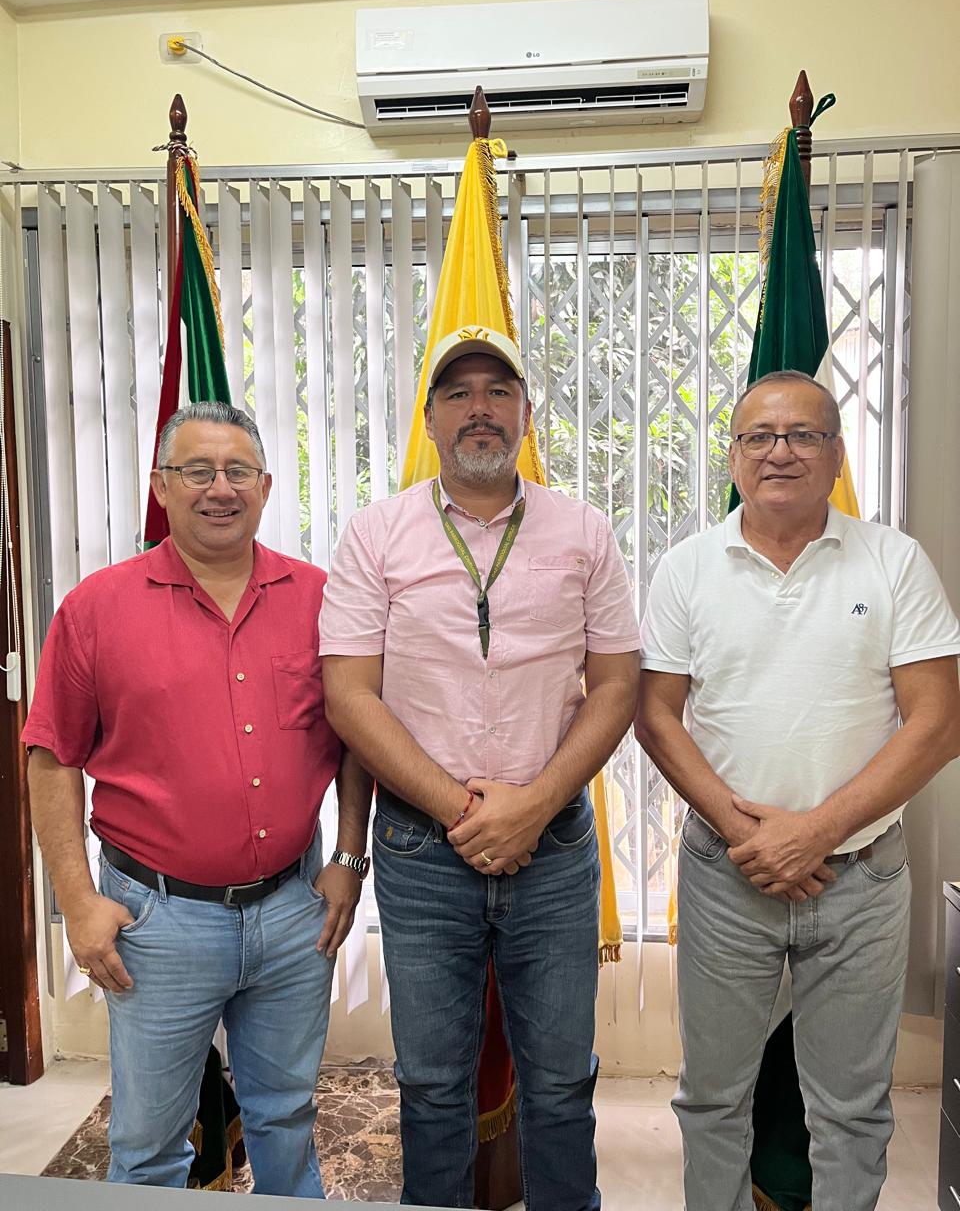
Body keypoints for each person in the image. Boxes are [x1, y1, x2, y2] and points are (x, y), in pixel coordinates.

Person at [319, 327, 641, 1210]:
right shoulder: (376, 535)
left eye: (499, 391)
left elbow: (617, 686)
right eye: (458, 393)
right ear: (429, 420)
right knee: (430, 1085)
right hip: (424, 855)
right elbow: (349, 696)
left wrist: (532, 806)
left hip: (554, 849)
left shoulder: (584, 530)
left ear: (527, 414)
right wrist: (466, 814)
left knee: (561, 1083)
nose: (480, 409)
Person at [24, 401, 373, 1196]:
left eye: (238, 471)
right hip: (156, 922)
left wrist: (350, 859)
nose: (220, 488)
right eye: (197, 471)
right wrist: (76, 901)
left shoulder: (320, 599)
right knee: (150, 1145)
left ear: (266, 486)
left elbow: (358, 736)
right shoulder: (96, 608)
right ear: (162, 486)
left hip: (294, 912)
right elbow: (52, 758)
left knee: (286, 1117)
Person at [634, 369, 960, 1211]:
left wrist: (814, 831)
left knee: (851, 1112)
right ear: (733, 456)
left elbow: (938, 722)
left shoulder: (894, 562)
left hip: (862, 880)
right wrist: (752, 836)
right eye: (759, 436)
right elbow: (656, 717)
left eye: (803, 435)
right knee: (712, 1099)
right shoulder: (687, 568)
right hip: (726, 875)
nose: (780, 452)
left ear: (837, 454)